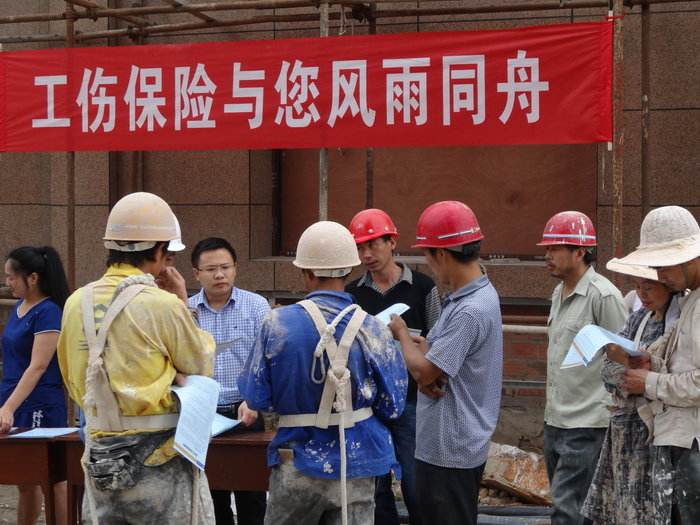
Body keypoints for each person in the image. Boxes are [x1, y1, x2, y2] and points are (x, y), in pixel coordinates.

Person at [57, 192, 216, 524]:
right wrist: (182, 302)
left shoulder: (75, 303)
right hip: (157, 455)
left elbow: (72, 378)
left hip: (99, 453)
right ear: (158, 250)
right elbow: (200, 365)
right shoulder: (162, 304)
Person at [239, 221, 407, 525]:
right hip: (358, 463)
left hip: (297, 461)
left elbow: (256, 396)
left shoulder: (277, 324)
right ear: (349, 271)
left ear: (306, 272)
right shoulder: (374, 329)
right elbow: (393, 405)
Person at [388, 201, 503, 525]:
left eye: (428, 255)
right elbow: (440, 362)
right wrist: (429, 351)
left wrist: (401, 334)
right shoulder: (474, 295)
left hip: (449, 448)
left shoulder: (469, 310)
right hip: (455, 444)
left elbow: (425, 371)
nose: (429, 265)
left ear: (441, 254)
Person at [346, 208, 440, 525]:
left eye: (373, 245)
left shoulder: (423, 288)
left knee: (415, 481)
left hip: (412, 399)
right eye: (360, 248)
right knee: (375, 487)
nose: (367, 255)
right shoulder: (353, 294)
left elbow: (438, 340)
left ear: (392, 242)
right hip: (368, 403)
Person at [537, 210, 627, 525]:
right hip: (556, 419)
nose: (548, 255)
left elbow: (624, 356)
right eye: (547, 248)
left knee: (567, 510)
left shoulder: (603, 296)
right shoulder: (558, 293)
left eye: (556, 248)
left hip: (588, 422)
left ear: (580, 252)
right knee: (575, 508)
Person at [614, 205, 700, 524]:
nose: (660, 276)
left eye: (663, 267)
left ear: (688, 259)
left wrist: (649, 382)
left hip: (692, 442)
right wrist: (654, 361)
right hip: (680, 439)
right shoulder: (691, 299)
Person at [582, 259, 679, 525]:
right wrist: (630, 371)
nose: (641, 294)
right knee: (623, 508)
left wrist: (646, 374)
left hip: (655, 433)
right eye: (637, 287)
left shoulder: (679, 323)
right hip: (624, 429)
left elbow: (673, 374)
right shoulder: (638, 318)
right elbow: (607, 370)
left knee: (651, 509)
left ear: (667, 286)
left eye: (648, 287)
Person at [188, 237, 270, 525]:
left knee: (252, 498)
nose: (219, 275)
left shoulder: (256, 306)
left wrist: (255, 400)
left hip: (245, 411)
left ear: (235, 268)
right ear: (196, 273)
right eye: (211, 269)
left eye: (225, 267)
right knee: (211, 498)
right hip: (203, 416)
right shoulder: (186, 310)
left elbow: (268, 359)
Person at [0, 246, 70, 525]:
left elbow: (38, 366)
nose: (8, 282)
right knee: (24, 479)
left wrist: (8, 407)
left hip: (40, 402)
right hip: (13, 397)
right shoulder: (20, 307)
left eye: (11, 277)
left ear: (32, 278)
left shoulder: (49, 312)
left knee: (52, 479)